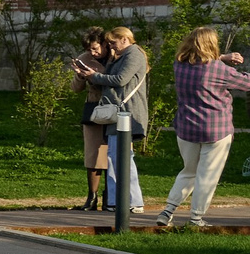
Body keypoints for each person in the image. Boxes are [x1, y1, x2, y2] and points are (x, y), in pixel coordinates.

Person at [164, 29, 250, 229]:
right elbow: (246, 83)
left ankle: (168, 210)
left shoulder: (179, 65)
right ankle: (196, 218)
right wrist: (224, 59)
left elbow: (198, 59)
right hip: (215, 129)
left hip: (186, 128)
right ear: (211, 44)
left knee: (188, 171)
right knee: (207, 176)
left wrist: (223, 57)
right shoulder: (219, 69)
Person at [81, 26, 152, 215]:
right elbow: (108, 77)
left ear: (124, 39)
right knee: (113, 157)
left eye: (113, 42)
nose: (111, 46)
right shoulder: (119, 56)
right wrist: (91, 74)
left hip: (128, 113)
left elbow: (120, 79)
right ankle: (114, 200)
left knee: (123, 158)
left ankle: (134, 200)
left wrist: (94, 76)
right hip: (117, 113)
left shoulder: (134, 54)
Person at [73, 27, 114, 209]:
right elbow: (75, 88)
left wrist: (97, 76)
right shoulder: (84, 59)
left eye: (96, 48)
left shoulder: (118, 56)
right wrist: (81, 76)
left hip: (116, 107)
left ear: (105, 44)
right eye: (89, 49)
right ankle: (92, 196)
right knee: (93, 153)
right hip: (94, 107)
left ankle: (110, 196)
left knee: (114, 154)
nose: (93, 52)